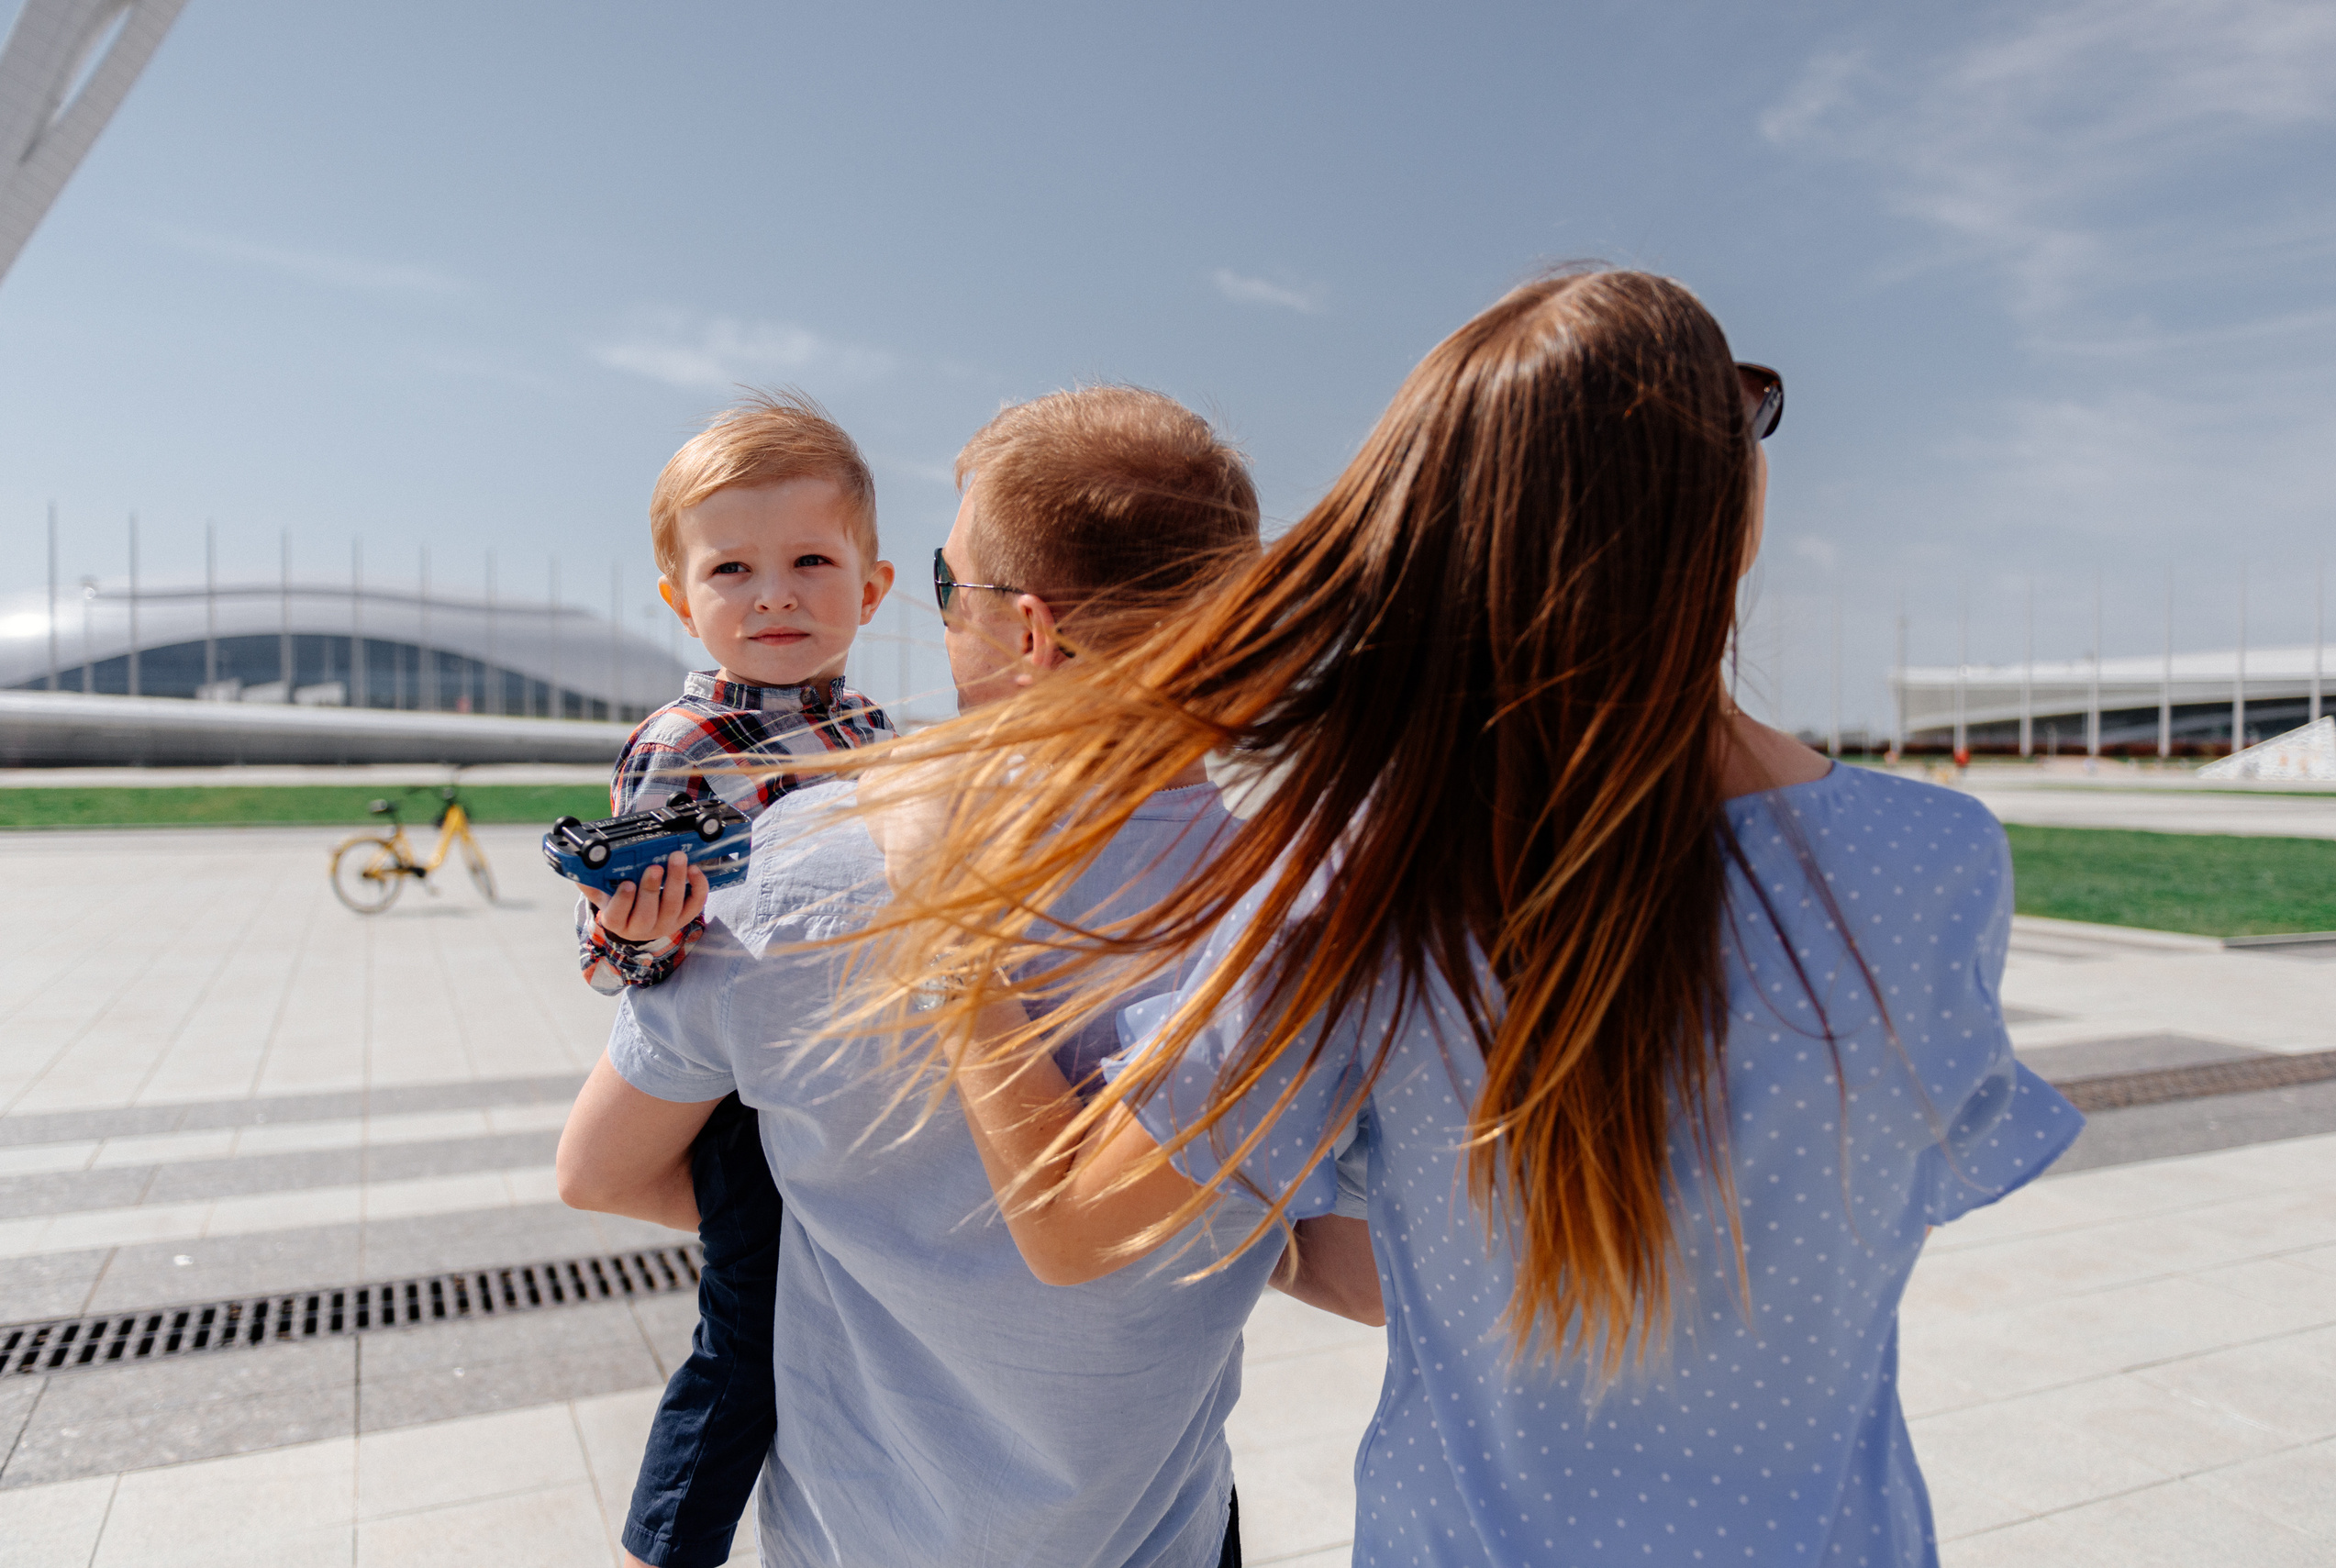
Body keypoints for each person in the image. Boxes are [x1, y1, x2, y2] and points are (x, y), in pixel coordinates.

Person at [862, 270, 2086, 1567]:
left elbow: (1078, 1226)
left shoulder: (1369, 882)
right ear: (1722, 512)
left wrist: (946, 924)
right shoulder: (1937, 862)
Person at [556, 385, 1383, 1568]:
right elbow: (1361, 1269)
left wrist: (858, 1225)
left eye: (948, 589)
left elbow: (596, 1169)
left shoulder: (800, 869)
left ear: (1029, 632)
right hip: (1163, 1534)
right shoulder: (1313, 909)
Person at [575, 388, 895, 1568]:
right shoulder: (681, 743)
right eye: (731, 570)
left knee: (844, 1323)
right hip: (739, 1092)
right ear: (681, 597)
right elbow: (610, 955)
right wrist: (637, 930)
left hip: (855, 1065)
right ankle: (664, 1547)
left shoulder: (877, 729)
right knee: (748, 1336)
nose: (773, 595)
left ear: (872, 586)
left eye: (811, 560)